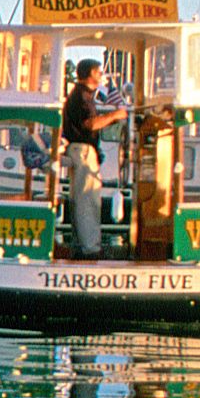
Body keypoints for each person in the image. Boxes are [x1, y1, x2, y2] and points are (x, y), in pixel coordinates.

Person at [62, 59, 126, 257]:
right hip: (83, 152)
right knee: (87, 201)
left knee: (81, 200)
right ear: (90, 73)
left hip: (79, 151)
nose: (101, 75)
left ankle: (81, 244)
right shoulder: (82, 96)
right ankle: (90, 249)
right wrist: (115, 116)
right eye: (98, 72)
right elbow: (89, 124)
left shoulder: (81, 95)